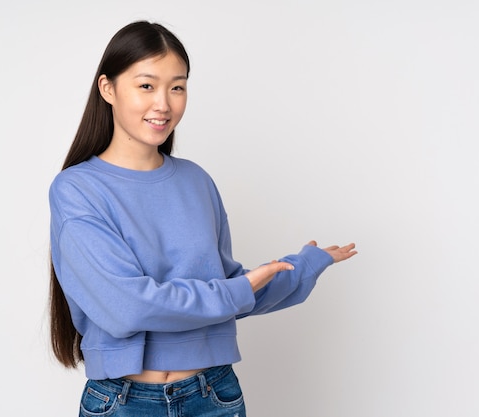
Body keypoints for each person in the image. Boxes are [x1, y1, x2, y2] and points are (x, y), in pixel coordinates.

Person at [48, 20, 357, 417]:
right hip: (124, 403)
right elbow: (129, 306)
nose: (163, 103)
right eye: (146, 86)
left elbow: (228, 292)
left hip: (214, 394)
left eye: (177, 87)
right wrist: (239, 289)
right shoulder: (77, 189)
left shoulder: (196, 181)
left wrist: (300, 268)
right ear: (108, 88)